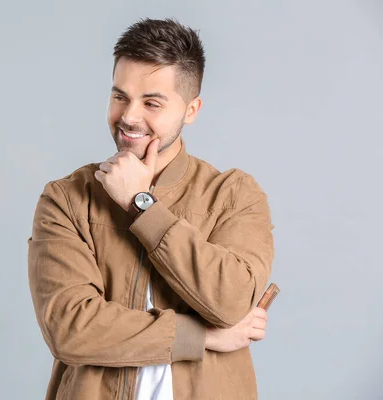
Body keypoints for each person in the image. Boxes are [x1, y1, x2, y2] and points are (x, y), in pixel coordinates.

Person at [28, 18, 275, 400]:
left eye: (151, 103)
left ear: (191, 109)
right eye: (119, 96)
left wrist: (141, 204)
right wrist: (203, 336)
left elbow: (231, 300)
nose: (128, 116)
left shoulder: (233, 195)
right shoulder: (67, 198)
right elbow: (70, 327)